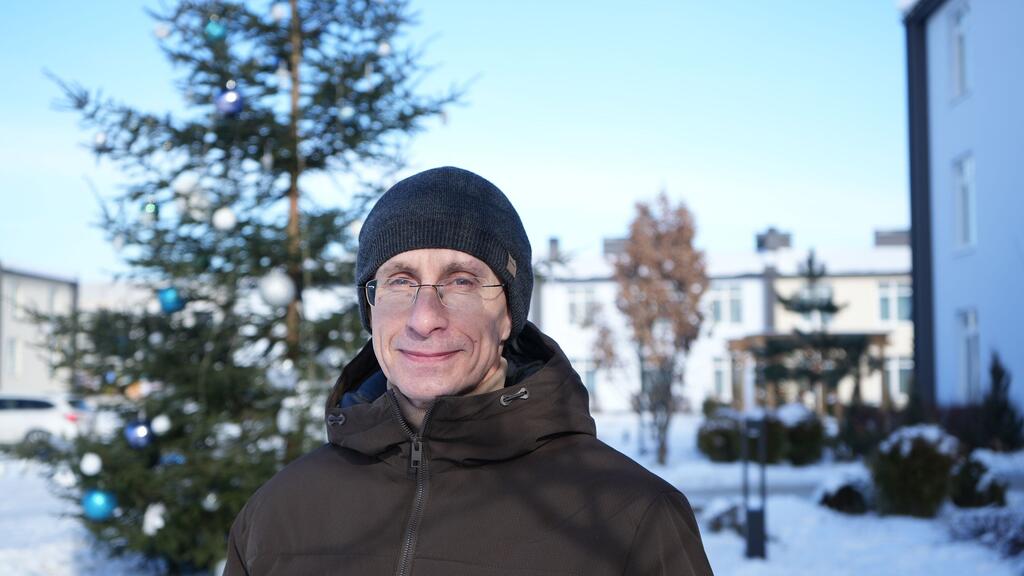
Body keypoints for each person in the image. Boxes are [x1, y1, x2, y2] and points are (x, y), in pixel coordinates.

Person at [225, 166, 714, 575]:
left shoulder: (631, 519)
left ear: (508, 315)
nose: (424, 318)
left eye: (461, 281)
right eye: (399, 281)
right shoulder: (277, 517)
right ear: (370, 308)